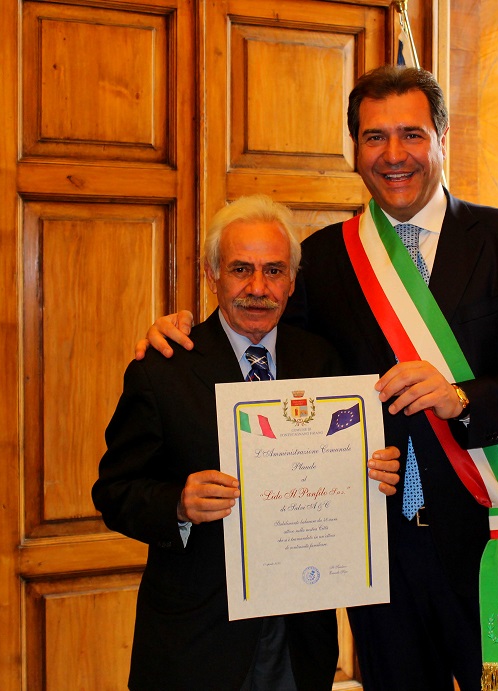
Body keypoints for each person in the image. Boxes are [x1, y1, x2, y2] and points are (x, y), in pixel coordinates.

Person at [137, 66, 498, 691]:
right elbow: (258, 335)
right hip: (378, 554)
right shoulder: (324, 259)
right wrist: (177, 332)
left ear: (443, 138)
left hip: (497, 542)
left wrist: (461, 399)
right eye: (375, 137)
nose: (394, 155)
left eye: (411, 134)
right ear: (355, 149)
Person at [93, 194, 401, 691]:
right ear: (212, 274)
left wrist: (373, 473)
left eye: (274, 271)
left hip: (300, 636)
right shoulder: (162, 370)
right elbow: (114, 491)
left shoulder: (324, 362)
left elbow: (348, 475)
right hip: (197, 639)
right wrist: (178, 504)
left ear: (292, 281)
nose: (258, 288)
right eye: (241, 269)